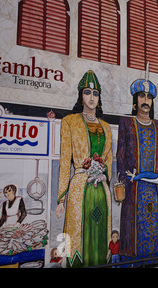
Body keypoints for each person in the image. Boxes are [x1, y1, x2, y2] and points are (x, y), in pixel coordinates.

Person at [56, 70, 113, 267]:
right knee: (77, 235)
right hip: (79, 187)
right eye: (87, 92)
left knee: (100, 231)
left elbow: (109, 159)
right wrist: (61, 198)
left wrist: (105, 175)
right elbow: (65, 161)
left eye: (95, 93)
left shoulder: (106, 126)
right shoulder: (69, 122)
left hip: (101, 189)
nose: (91, 97)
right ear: (80, 95)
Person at [117, 77, 158, 266]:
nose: (145, 100)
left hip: (154, 190)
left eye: (149, 97)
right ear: (135, 100)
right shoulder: (126, 123)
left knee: (156, 233)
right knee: (132, 234)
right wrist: (121, 182)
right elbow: (120, 156)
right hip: (133, 189)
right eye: (142, 96)